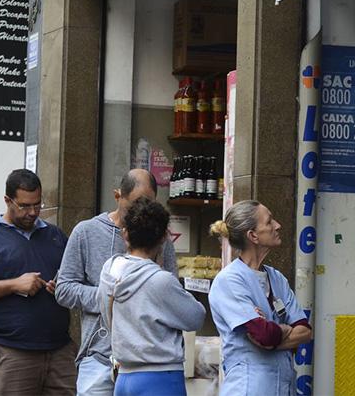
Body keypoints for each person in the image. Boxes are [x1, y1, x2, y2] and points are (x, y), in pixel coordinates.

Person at [56, 169, 178, 396]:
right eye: (134, 204)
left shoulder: (160, 236)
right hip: (99, 357)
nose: (141, 212)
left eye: (148, 204)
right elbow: (63, 289)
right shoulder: (86, 231)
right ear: (117, 196)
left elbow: (173, 289)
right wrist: (110, 297)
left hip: (147, 361)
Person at [0, 169, 76, 395]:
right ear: (7, 200)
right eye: (24, 206)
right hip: (9, 351)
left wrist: (61, 285)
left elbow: (74, 278)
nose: (32, 212)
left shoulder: (55, 235)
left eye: (38, 205)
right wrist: (14, 284)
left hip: (59, 350)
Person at [98, 198, 205, 396]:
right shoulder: (161, 280)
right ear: (164, 237)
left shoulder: (110, 269)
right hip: (161, 377)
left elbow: (106, 314)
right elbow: (196, 317)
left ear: (125, 234)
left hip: (124, 376)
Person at [208, 200, 313, 396]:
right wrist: (284, 330)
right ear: (253, 235)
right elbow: (264, 334)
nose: (278, 226)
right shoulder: (229, 280)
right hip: (248, 388)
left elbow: (305, 332)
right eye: (269, 221)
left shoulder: (277, 278)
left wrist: (272, 336)